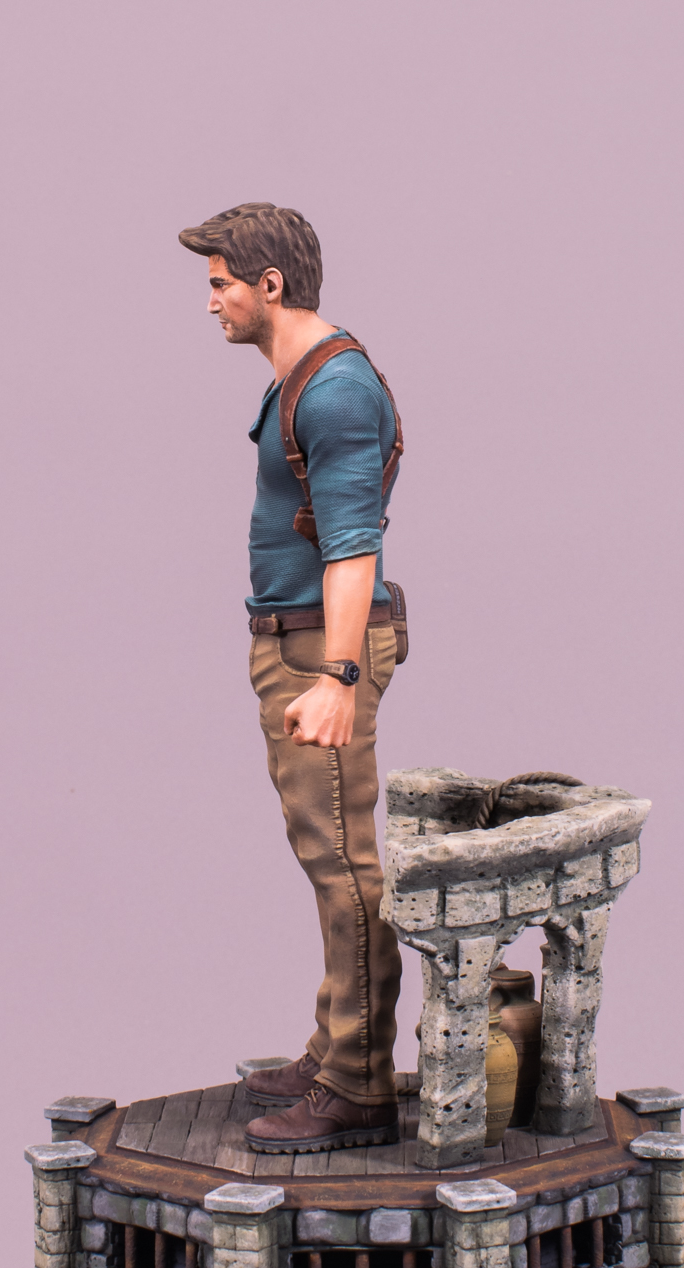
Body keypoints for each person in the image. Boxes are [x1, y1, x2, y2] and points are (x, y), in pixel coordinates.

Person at [178, 204, 404, 1153]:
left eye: (221, 283)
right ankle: (334, 1048)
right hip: (299, 645)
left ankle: (357, 1083)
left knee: (344, 864)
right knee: (327, 855)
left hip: (321, 652)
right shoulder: (300, 377)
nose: (211, 302)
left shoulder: (334, 391)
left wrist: (339, 677)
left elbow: (353, 547)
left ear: (270, 285)